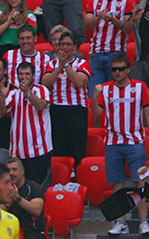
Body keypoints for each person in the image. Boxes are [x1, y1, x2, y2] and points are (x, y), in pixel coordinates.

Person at [95, 53, 149, 235]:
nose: (117, 73)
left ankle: (143, 222)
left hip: (135, 141)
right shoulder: (105, 89)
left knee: (140, 182)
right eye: (114, 69)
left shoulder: (140, 87)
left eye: (121, 69)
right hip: (112, 142)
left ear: (128, 69)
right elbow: (96, 115)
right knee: (117, 184)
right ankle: (120, 221)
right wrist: (95, 96)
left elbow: (148, 113)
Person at [0, 62, 53, 186]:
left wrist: (27, 92)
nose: (24, 77)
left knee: (37, 188)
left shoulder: (41, 90)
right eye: (21, 74)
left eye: (27, 74)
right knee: (18, 188)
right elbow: (1, 112)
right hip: (18, 152)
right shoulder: (13, 93)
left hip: (39, 150)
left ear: (33, 75)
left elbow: (40, 105)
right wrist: (2, 96)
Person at [41, 30, 91, 168]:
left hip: (76, 109)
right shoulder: (51, 64)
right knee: (58, 147)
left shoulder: (82, 63)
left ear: (74, 47)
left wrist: (66, 65)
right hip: (56, 109)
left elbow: (79, 82)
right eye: (62, 44)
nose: (65, 47)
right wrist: (59, 67)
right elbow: (45, 82)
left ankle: (77, 175)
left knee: (77, 147)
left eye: (68, 44)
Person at [83, 0, 135, 98]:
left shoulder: (127, 2)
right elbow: (86, 26)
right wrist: (98, 18)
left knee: (115, 94)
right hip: (96, 53)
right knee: (94, 96)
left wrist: (112, 20)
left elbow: (127, 28)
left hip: (116, 53)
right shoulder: (93, 1)